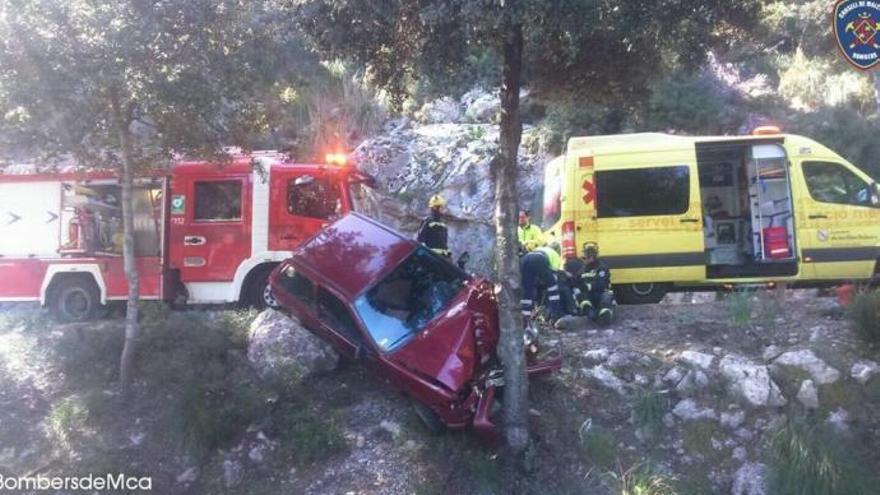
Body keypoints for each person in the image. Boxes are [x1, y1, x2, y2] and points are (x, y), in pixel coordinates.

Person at [520, 242, 565, 328]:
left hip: (525, 259)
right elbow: (553, 276)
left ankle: (525, 317)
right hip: (540, 259)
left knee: (527, 290)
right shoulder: (555, 255)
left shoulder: (541, 248)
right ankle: (555, 314)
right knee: (553, 288)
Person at [569, 242, 615, 325]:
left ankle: (605, 316)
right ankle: (589, 312)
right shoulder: (582, 269)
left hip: (601, 292)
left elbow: (601, 283)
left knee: (606, 300)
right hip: (588, 294)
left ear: (592, 257)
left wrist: (587, 286)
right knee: (581, 297)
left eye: (585, 258)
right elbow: (576, 281)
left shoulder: (601, 267)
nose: (583, 260)